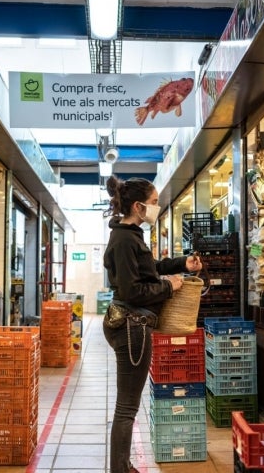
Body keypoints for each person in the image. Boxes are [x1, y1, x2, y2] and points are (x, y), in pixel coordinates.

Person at [102, 176, 202, 473]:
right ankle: (120, 469)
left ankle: (123, 466)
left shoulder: (130, 236)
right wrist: (169, 287)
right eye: (155, 202)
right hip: (132, 326)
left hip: (132, 324)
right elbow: (135, 291)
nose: (157, 207)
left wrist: (181, 265)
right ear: (138, 205)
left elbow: (149, 271)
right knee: (127, 407)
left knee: (127, 405)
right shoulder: (123, 240)